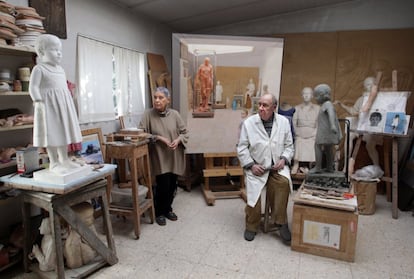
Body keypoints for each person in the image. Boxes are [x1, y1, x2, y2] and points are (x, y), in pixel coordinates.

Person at [237, 93, 294, 244]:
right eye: (260, 105)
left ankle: (281, 222)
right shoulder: (249, 123)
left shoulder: (283, 122)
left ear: (274, 108)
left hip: (276, 167)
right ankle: (251, 225)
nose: (261, 108)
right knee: (254, 195)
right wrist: (251, 165)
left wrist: (283, 159)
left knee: (282, 184)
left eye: (265, 105)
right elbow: (241, 148)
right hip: (256, 167)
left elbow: (289, 146)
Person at [29, 34, 82, 173]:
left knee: (63, 132)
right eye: (54, 49)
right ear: (41, 52)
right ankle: (54, 162)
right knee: (51, 134)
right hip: (48, 106)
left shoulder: (61, 70)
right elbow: (33, 87)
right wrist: (38, 100)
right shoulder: (39, 69)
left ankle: (64, 159)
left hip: (62, 106)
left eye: (60, 50)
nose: (59, 53)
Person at [139, 87, 189, 226]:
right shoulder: (148, 115)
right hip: (159, 156)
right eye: (155, 97)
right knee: (162, 184)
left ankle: (168, 209)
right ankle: (159, 212)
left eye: (161, 98)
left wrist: (178, 140)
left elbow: (184, 133)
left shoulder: (175, 114)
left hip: (174, 155)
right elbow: (141, 133)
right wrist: (159, 138)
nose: (157, 100)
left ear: (168, 100)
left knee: (173, 184)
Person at [334, 77, 382, 166]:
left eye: (371, 84)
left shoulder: (381, 99)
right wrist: (342, 105)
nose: (370, 86)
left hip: (373, 126)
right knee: (349, 136)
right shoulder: (361, 99)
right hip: (361, 126)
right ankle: (346, 166)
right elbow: (353, 111)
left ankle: (377, 167)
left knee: (370, 146)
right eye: (367, 84)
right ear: (364, 87)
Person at [310, 84, 342, 173]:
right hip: (326, 130)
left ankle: (318, 167)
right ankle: (329, 167)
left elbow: (331, 114)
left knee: (318, 145)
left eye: (316, 96)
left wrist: (332, 125)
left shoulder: (327, 104)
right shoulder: (326, 104)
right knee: (328, 148)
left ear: (321, 95)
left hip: (326, 130)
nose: (315, 98)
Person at [291, 87, 320, 174]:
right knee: (298, 142)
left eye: (309, 94)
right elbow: (294, 122)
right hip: (300, 132)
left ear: (312, 96)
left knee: (313, 143)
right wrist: (297, 132)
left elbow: (319, 123)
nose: (306, 95)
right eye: (304, 93)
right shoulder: (297, 108)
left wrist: (315, 132)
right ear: (302, 95)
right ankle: (296, 164)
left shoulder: (317, 108)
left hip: (312, 133)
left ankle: (311, 166)